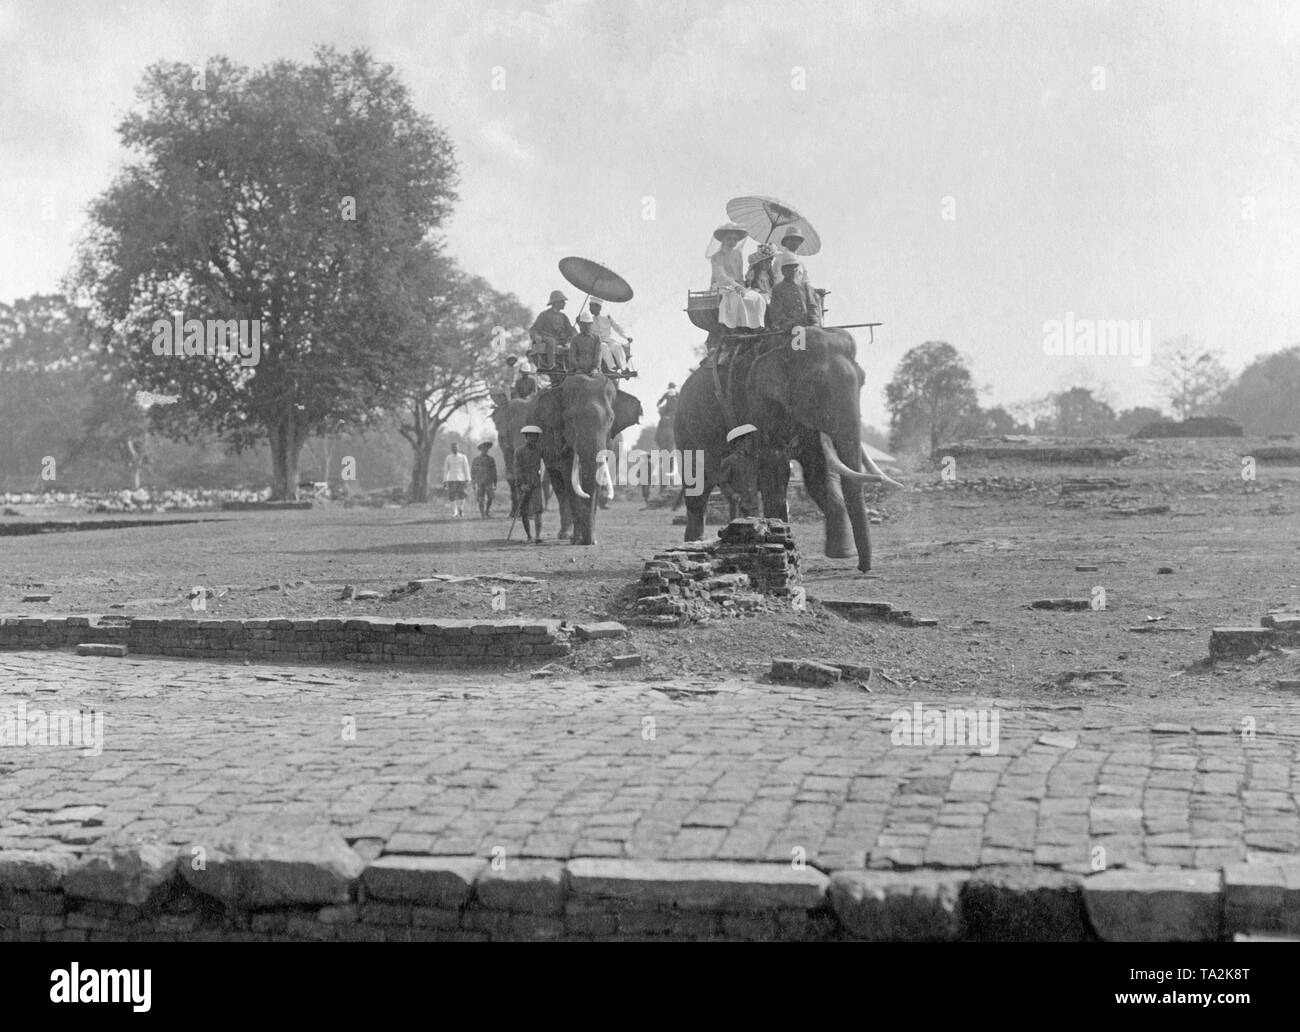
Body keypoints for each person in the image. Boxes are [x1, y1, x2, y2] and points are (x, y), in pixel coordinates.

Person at [709, 222, 767, 331]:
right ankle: (737, 326)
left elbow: (739, 276)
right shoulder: (716, 257)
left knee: (757, 297)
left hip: (737, 286)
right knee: (737, 297)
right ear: (723, 240)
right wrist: (736, 286)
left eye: (735, 239)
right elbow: (721, 276)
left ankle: (755, 325)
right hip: (722, 285)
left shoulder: (738, 255)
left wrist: (746, 284)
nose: (732, 242)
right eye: (729, 239)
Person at [718, 424, 760, 518]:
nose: (750, 443)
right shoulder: (729, 461)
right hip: (738, 506)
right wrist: (733, 494)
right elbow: (723, 483)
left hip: (753, 506)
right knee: (738, 530)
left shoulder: (752, 460)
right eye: (747, 440)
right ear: (739, 443)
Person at [769, 257, 821, 332]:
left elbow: (812, 306)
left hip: (808, 327)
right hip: (788, 329)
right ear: (783, 271)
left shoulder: (805, 286)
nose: (793, 271)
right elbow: (776, 313)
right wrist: (790, 325)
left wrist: (814, 323)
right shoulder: (778, 289)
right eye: (789, 268)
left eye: (795, 268)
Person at [513, 426, 546, 543]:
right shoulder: (519, 451)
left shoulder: (540, 450)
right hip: (522, 484)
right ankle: (529, 536)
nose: (533, 438)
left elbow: (546, 462)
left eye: (535, 436)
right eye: (531, 436)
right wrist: (522, 484)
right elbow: (517, 469)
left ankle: (538, 536)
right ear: (526, 437)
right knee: (524, 511)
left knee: (538, 510)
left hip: (535, 483)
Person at [528, 290, 575, 371]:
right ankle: (551, 366)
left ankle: (571, 368)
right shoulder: (544, 315)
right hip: (546, 339)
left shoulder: (564, 317)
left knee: (571, 347)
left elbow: (571, 330)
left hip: (561, 342)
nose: (564, 303)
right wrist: (536, 336)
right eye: (562, 302)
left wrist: (573, 335)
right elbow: (533, 329)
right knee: (551, 341)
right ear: (556, 303)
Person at [588, 300, 634, 375]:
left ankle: (624, 369)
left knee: (617, 346)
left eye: (592, 306)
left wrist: (626, 337)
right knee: (603, 346)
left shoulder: (607, 317)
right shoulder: (589, 319)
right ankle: (612, 368)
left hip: (608, 340)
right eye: (590, 306)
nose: (590, 308)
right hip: (596, 342)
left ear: (599, 307)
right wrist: (579, 322)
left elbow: (617, 328)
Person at [442, 442, 471, 518]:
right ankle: (455, 512)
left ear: (458, 448)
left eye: (456, 447)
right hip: (451, 479)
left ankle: (461, 509)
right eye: (453, 447)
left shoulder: (463, 457)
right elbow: (445, 469)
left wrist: (468, 479)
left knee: (463, 495)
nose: (455, 449)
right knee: (452, 496)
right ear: (451, 449)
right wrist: (445, 480)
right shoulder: (448, 458)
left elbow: (466, 468)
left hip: (461, 479)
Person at [569, 310, 603, 375]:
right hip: (578, 370)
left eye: (589, 324)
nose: (586, 327)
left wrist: (595, 368)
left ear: (591, 324)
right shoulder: (575, 339)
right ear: (580, 324)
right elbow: (572, 356)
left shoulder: (596, 338)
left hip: (593, 370)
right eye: (584, 324)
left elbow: (598, 355)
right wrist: (577, 368)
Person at [471, 442, 498, 518]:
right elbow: (473, 471)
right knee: (480, 498)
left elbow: (494, 471)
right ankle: (482, 514)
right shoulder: (476, 460)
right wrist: (473, 482)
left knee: (490, 497)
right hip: (479, 482)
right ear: (480, 449)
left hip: (489, 482)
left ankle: (487, 512)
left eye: (487, 448)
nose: (485, 450)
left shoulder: (491, 459)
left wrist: (495, 482)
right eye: (483, 448)